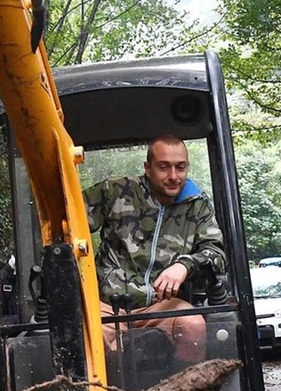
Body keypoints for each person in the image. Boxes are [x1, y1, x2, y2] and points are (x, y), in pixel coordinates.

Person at [84, 136, 226, 363]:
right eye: (163, 167)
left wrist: (184, 265)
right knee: (83, 337)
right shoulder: (116, 191)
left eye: (180, 167)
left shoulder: (197, 206)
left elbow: (216, 253)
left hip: (162, 306)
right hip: (107, 305)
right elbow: (67, 226)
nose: (173, 176)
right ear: (147, 168)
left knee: (192, 324)